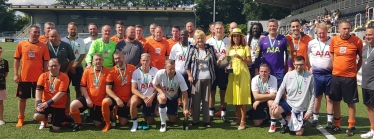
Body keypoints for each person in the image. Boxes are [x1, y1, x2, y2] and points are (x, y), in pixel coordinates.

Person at [329, 21, 363, 136]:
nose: (346, 30)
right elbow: (332, 54)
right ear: (339, 29)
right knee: (335, 101)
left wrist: (355, 71)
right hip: (336, 76)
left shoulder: (357, 41)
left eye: (348, 28)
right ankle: (337, 125)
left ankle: (351, 125)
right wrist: (335, 66)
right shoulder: (334, 40)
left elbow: (361, 58)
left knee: (350, 102)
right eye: (344, 28)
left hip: (350, 77)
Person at [185, 30, 224, 128]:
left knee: (206, 100)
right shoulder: (192, 48)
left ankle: (207, 121)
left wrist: (220, 60)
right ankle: (195, 121)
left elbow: (215, 63)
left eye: (202, 38)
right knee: (196, 100)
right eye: (198, 38)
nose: (200, 40)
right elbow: (187, 65)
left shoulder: (210, 48)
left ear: (204, 38)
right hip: (196, 78)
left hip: (208, 77)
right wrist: (189, 75)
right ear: (195, 39)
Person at [14, 25, 50, 127]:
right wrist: (16, 74)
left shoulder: (43, 46)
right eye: (35, 32)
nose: (37, 34)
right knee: (22, 98)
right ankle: (21, 118)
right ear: (29, 32)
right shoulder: (21, 44)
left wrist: (46, 76)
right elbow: (16, 60)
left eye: (38, 32)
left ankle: (39, 117)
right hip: (24, 77)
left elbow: (46, 62)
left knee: (38, 99)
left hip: (39, 78)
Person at [270, 56, 315, 136]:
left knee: (299, 133)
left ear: (304, 64)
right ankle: (284, 123)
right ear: (294, 64)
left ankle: (292, 119)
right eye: (297, 64)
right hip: (288, 104)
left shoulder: (310, 76)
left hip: (300, 107)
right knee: (274, 110)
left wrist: (309, 111)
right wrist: (276, 102)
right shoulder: (288, 75)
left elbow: (313, 94)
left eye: (301, 64)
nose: (299, 67)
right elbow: (281, 89)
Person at [70, 53, 111, 132]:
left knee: (97, 124)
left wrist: (105, 98)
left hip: (100, 101)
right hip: (88, 98)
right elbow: (82, 86)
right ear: (92, 61)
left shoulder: (107, 71)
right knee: (73, 105)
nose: (98, 61)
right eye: (96, 60)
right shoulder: (87, 71)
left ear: (103, 60)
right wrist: (87, 98)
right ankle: (78, 123)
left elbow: (109, 87)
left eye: (100, 59)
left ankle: (105, 116)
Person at [307, 23, 334, 129]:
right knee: (317, 97)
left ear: (327, 31)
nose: (321, 35)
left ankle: (330, 120)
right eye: (319, 33)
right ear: (316, 33)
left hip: (329, 74)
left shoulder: (332, 41)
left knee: (329, 98)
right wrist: (309, 66)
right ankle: (315, 118)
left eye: (323, 32)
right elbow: (306, 54)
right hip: (316, 74)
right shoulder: (312, 43)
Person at [101, 50, 136, 132]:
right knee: (105, 102)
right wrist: (116, 99)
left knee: (123, 123)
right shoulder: (112, 71)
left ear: (124, 58)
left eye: (119, 58)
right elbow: (108, 89)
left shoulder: (132, 68)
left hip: (127, 98)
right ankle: (107, 123)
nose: (117, 60)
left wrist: (131, 97)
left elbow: (136, 86)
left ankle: (116, 113)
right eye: (115, 59)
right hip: (116, 97)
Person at [225, 28, 252, 130]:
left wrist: (241, 58)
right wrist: (226, 67)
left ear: (241, 37)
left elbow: (250, 62)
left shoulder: (245, 48)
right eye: (234, 36)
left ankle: (243, 121)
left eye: (237, 36)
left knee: (242, 97)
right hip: (233, 75)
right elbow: (229, 62)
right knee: (235, 97)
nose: (236, 38)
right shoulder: (230, 49)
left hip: (243, 74)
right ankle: (238, 118)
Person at [153, 59, 189, 132]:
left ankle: (165, 111)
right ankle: (163, 124)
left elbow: (185, 93)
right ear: (165, 68)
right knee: (162, 99)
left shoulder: (179, 77)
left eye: (173, 69)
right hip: (163, 95)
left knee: (173, 120)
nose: (172, 71)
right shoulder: (160, 73)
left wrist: (185, 108)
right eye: (170, 69)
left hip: (173, 98)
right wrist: (162, 93)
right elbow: (155, 84)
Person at [48, 29, 76, 121]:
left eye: (55, 36)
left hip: (63, 75)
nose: (54, 38)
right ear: (49, 37)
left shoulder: (66, 45)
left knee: (66, 93)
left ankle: (66, 112)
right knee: (49, 92)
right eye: (52, 36)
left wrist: (66, 71)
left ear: (59, 36)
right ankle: (49, 112)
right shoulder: (45, 46)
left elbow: (71, 59)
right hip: (50, 75)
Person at [33, 59, 69, 130]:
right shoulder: (43, 76)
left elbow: (61, 93)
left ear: (59, 66)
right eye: (51, 66)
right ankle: (46, 118)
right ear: (48, 67)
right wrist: (39, 103)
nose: (53, 67)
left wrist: (48, 103)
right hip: (45, 104)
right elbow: (38, 91)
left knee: (56, 128)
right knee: (36, 116)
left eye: (55, 65)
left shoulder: (64, 77)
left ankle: (60, 117)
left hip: (58, 105)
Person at [255, 19, 291, 88]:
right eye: (270, 26)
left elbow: (289, 54)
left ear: (277, 27)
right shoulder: (262, 40)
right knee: (267, 92)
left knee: (280, 93)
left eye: (274, 26)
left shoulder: (284, 39)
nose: (272, 28)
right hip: (266, 72)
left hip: (279, 71)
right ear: (267, 27)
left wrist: (289, 68)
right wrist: (256, 69)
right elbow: (257, 56)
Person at [205, 21, 230, 121]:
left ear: (224, 29)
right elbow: (206, 55)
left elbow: (230, 55)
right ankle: (211, 112)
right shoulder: (209, 41)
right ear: (213, 30)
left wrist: (227, 64)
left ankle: (223, 112)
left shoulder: (228, 41)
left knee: (223, 91)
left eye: (221, 28)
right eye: (217, 28)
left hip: (224, 69)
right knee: (212, 92)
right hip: (212, 69)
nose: (219, 30)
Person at [130, 53, 158, 132]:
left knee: (149, 121)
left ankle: (145, 116)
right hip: (140, 96)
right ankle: (134, 123)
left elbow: (158, 87)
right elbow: (133, 89)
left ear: (150, 61)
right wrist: (144, 97)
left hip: (150, 97)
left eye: (147, 60)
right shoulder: (136, 72)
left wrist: (152, 97)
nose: (145, 62)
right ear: (140, 61)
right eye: (143, 60)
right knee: (133, 102)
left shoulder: (155, 71)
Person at [61, 22, 87, 100]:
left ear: (77, 30)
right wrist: (70, 67)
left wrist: (74, 66)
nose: (73, 31)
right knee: (65, 89)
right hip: (66, 68)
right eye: (71, 29)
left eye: (74, 29)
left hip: (77, 68)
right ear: (67, 29)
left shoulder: (81, 41)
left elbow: (82, 54)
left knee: (78, 89)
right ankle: (66, 109)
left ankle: (77, 110)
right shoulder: (63, 40)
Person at [250, 64, 277, 132]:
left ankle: (273, 124)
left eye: (265, 71)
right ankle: (266, 115)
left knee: (271, 102)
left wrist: (259, 101)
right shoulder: (254, 79)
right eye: (261, 71)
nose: (263, 73)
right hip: (258, 101)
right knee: (257, 123)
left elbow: (274, 96)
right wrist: (268, 95)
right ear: (259, 72)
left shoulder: (273, 78)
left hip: (264, 101)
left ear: (269, 71)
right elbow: (256, 96)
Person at [169, 30, 191, 108]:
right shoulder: (175, 47)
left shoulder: (192, 46)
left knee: (188, 91)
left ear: (188, 35)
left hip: (189, 74)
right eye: (181, 35)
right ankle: (177, 106)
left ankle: (188, 108)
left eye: (185, 35)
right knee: (176, 91)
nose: (183, 36)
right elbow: (171, 60)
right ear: (179, 36)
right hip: (178, 73)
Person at [361, 26, 374, 139]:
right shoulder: (365, 48)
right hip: (365, 84)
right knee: (369, 107)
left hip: (373, 86)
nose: (368, 36)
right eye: (367, 35)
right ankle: (372, 130)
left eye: (370, 34)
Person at [0, 47, 8, 125]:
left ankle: (1, 119)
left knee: (0, 102)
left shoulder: (5, 62)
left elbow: (5, 74)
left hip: (1, 85)